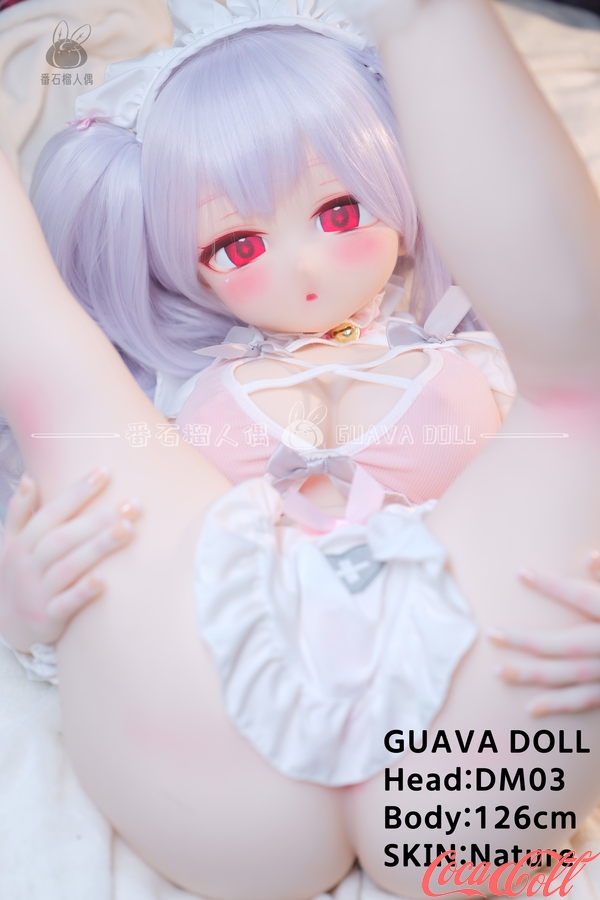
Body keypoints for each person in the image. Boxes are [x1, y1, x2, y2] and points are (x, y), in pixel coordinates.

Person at [1, 0, 600, 896]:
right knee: (70, 411)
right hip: (218, 721)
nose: (305, 267)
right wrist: (22, 609)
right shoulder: (170, 392)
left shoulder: (480, 358)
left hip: (468, 718)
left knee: (581, 398)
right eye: (237, 244)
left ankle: (424, 18)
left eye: (340, 209)